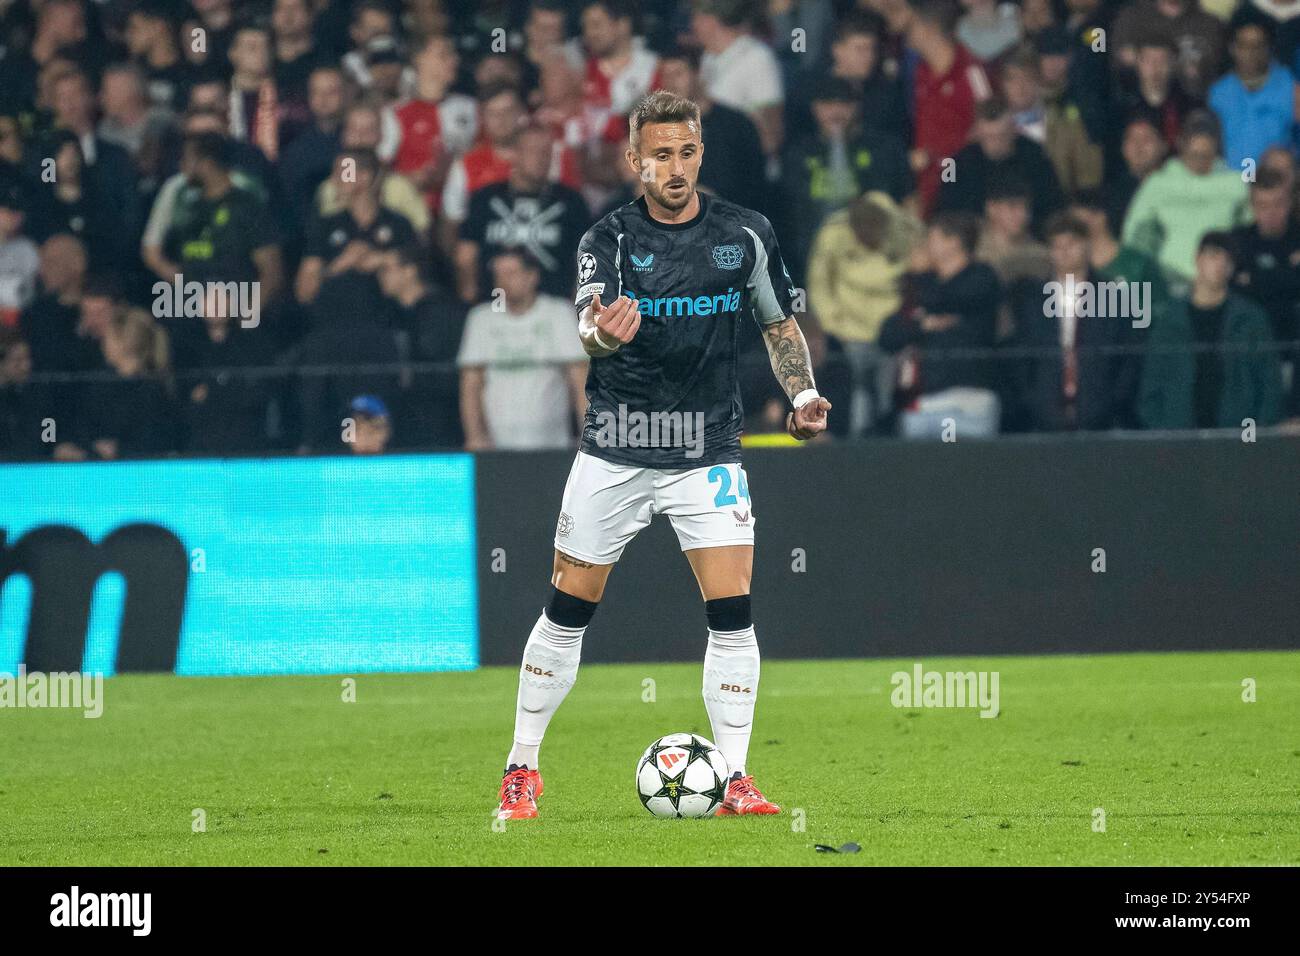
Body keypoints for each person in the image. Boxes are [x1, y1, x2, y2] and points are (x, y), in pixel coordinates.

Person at [494, 90, 830, 821]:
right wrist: (603, 336)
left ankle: (736, 777)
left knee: (733, 615)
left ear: (700, 153)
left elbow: (779, 325)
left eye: (687, 152)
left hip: (708, 451)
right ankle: (522, 766)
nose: (675, 168)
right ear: (634, 160)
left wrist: (802, 395)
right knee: (567, 610)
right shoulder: (606, 240)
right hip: (617, 449)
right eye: (660, 155)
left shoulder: (745, 233)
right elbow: (588, 325)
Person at [1009, 213, 1144, 432]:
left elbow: (1129, 355)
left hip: (1104, 415)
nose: (1064, 251)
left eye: (1071, 244)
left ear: (1087, 246)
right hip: (1044, 414)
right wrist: (1033, 400)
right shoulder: (1033, 299)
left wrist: (1112, 401)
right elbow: (1022, 356)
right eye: (1056, 246)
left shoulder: (1113, 296)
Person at [1139, 232, 1283, 429]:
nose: (1220, 264)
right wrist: (1165, 432)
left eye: (1228, 260)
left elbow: (1268, 383)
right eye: (1214, 255)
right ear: (1198, 258)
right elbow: (1152, 383)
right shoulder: (1169, 320)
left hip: (1236, 441)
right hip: (1180, 442)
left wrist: (1253, 436)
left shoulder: (1250, 319)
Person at [880, 212, 1002, 438]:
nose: (925, 246)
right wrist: (924, 325)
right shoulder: (923, 285)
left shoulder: (982, 276)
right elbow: (887, 336)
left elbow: (959, 298)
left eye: (932, 238)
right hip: (924, 399)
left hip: (970, 396)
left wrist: (920, 289)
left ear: (953, 242)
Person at [457, 248, 587, 451]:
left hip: (554, 445)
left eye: (511, 273)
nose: (502, 281)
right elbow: (471, 385)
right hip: (496, 449)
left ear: (532, 276)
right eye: (498, 275)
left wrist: (587, 434)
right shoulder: (481, 318)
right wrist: (475, 437)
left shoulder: (559, 313)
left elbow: (579, 379)